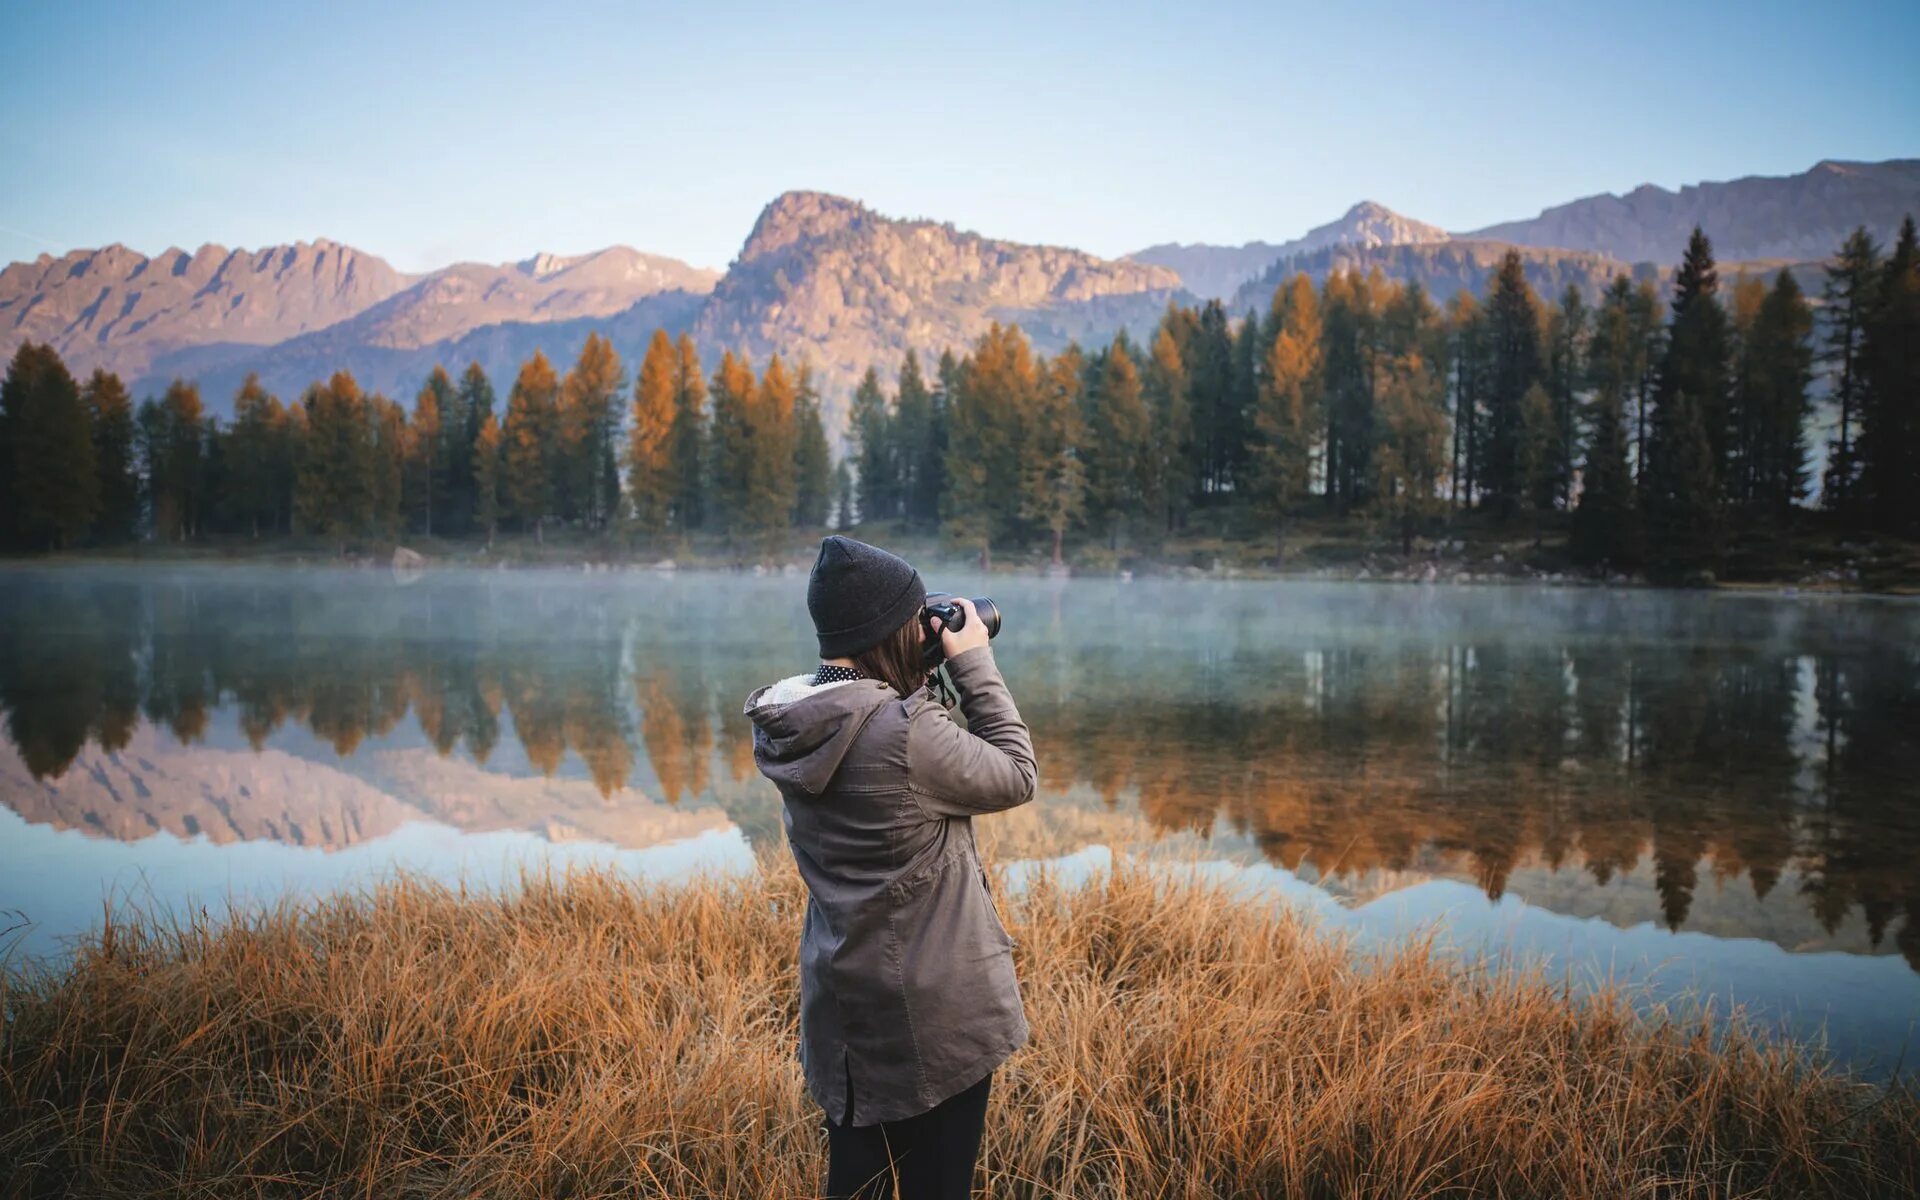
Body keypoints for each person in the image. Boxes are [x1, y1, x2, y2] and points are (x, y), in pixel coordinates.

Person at [743, 534, 1038, 1200]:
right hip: (934, 1019)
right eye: (914, 616)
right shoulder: (905, 732)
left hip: (843, 1008)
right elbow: (1018, 774)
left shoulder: (797, 718)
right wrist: (973, 663)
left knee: (857, 1185)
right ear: (889, 631)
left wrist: (912, 678)